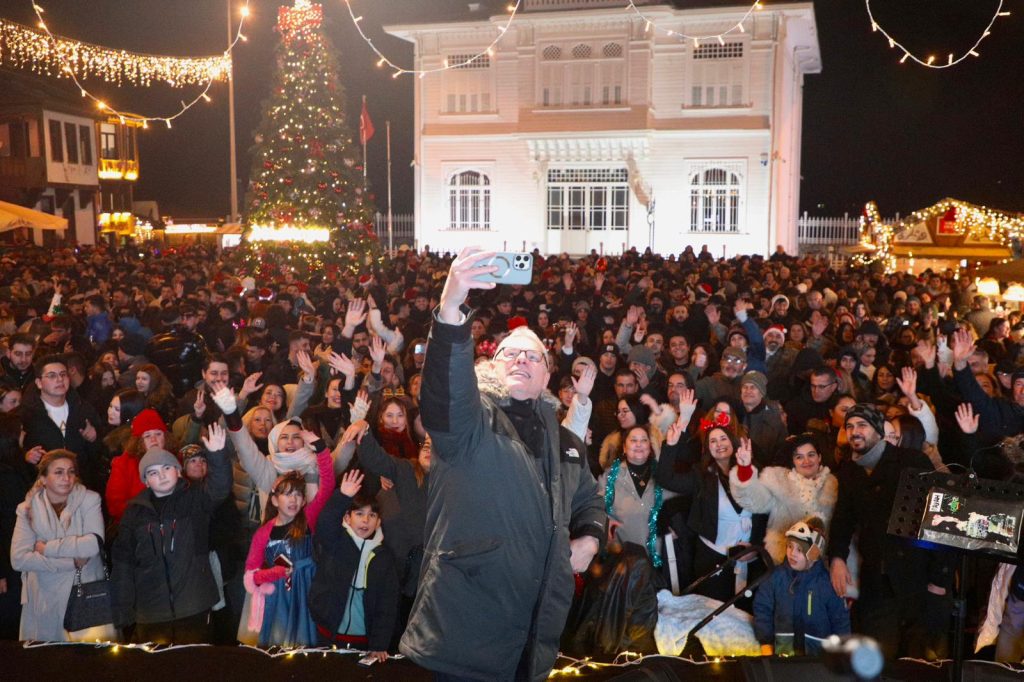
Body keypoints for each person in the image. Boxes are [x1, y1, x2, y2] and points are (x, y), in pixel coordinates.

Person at [400, 248, 605, 682]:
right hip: (465, 634)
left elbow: (589, 501)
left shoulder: (566, 442)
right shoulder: (471, 421)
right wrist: (452, 308)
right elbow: (446, 394)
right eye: (510, 354)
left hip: (532, 640)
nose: (521, 361)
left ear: (548, 376)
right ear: (491, 367)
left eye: (533, 357)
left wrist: (589, 538)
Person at [828, 403, 952, 661]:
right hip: (878, 583)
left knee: (923, 665)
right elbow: (843, 519)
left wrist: (939, 579)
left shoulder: (912, 461)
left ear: (878, 430)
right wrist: (837, 557)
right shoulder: (850, 471)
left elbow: (941, 521)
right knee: (879, 662)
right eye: (849, 426)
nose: (854, 432)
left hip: (919, 580)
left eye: (861, 425)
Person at [111, 425, 231, 643]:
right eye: (153, 473)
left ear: (178, 470)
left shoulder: (195, 498)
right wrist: (122, 610)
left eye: (167, 468)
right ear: (146, 480)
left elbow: (220, 487)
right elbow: (123, 563)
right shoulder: (134, 512)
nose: (162, 475)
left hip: (194, 605)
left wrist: (217, 455)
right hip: (150, 612)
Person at [241, 427, 334, 647]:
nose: (292, 500)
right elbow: (251, 575)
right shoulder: (263, 532)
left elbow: (328, 484)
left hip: (309, 591)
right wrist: (274, 573)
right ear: (274, 501)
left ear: (304, 501)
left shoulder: (309, 518)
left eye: (298, 495)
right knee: (279, 646)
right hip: (278, 597)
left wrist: (320, 448)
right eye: (286, 494)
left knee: (309, 645)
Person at [11, 449, 114, 642]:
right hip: (44, 597)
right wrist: (71, 562)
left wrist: (48, 548)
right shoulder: (26, 509)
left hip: (85, 593)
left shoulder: (90, 499)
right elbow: (18, 559)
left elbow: (93, 545)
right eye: (58, 472)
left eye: (71, 471)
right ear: (43, 478)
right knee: (49, 663)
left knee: (89, 663)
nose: (66, 478)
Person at [309, 470, 400, 660]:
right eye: (359, 514)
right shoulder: (336, 541)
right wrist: (342, 496)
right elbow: (325, 523)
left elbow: (387, 604)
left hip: (363, 641)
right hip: (327, 633)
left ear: (378, 522)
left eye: (372, 515)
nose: (365, 520)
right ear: (347, 518)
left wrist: (379, 643)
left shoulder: (384, 558)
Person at [729, 433, 838, 566]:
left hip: (821, 568)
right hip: (782, 563)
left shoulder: (833, 485)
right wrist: (745, 468)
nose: (806, 461)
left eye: (811, 455)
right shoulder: (779, 481)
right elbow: (754, 501)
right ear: (793, 461)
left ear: (819, 457)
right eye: (799, 457)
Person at [753, 517, 850, 656]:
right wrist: (765, 642)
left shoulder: (827, 584)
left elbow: (840, 620)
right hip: (783, 656)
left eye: (800, 550)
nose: (792, 553)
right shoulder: (776, 577)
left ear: (814, 554)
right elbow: (762, 607)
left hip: (818, 661)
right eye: (790, 546)